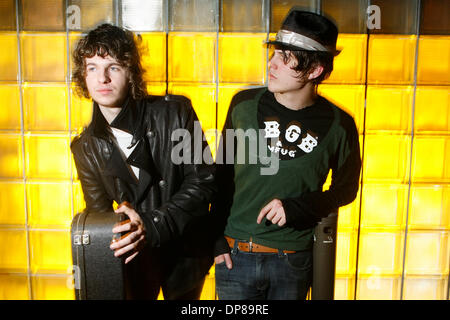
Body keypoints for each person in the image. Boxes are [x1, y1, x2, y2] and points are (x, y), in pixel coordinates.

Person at [212, 9, 361, 300]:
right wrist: (215, 240)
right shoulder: (242, 105)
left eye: (285, 57)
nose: (271, 64)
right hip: (235, 255)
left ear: (315, 70)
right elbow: (220, 176)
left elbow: (346, 189)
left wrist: (299, 206)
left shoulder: (340, 125)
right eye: (274, 54)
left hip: (293, 261)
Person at [70, 23, 216, 300]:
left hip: (185, 254)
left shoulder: (175, 113)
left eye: (113, 67)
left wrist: (152, 224)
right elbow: (101, 217)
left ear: (131, 73)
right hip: (133, 261)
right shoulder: (85, 147)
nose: (102, 78)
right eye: (92, 67)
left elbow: (204, 182)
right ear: (83, 76)